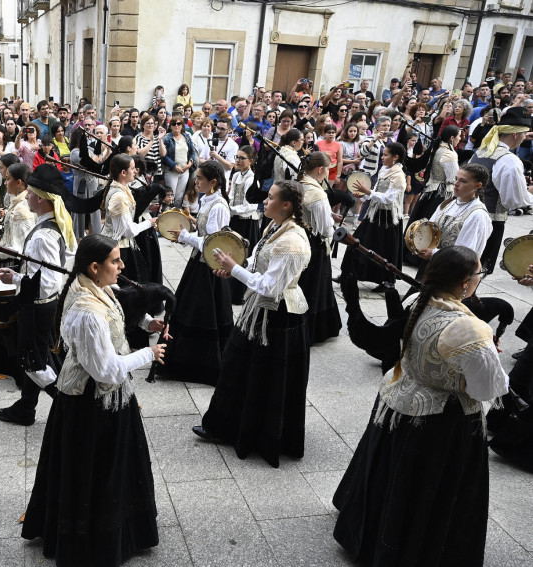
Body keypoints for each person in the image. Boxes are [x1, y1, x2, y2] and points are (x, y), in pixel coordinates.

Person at [332, 246, 507, 566]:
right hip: (441, 423)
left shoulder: (415, 301)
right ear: (465, 283)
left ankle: (372, 538)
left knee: (393, 480)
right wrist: (489, 352)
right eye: (479, 274)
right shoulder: (470, 328)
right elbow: (490, 388)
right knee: (424, 495)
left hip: (399, 402)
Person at [21, 234, 165, 566]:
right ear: (95, 267)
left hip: (108, 400)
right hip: (90, 406)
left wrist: (148, 322)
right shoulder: (85, 313)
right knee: (97, 472)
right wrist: (149, 353)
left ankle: (124, 530)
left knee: (113, 469)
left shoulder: (93, 285)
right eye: (116, 260)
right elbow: (106, 371)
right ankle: (95, 541)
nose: (123, 265)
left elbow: (116, 310)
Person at [194, 181, 312, 468]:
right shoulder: (273, 227)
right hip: (257, 311)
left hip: (278, 317)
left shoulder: (292, 241)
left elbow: (271, 288)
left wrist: (234, 269)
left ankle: (262, 435)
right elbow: (258, 267)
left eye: (270, 198)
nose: (265, 201)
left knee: (265, 376)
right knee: (237, 366)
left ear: (286, 205)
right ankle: (224, 426)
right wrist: (235, 270)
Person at [0, 164, 76, 426]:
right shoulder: (52, 224)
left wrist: (17, 279)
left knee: (33, 363)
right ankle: (26, 407)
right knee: (37, 356)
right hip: (43, 305)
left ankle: (72, 409)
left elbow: (49, 282)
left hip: (37, 307)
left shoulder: (43, 236)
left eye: (29, 193)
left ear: (40, 199)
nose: (26, 196)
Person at [159, 161, 233, 385]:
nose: (196, 181)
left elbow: (213, 243)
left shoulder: (218, 205)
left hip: (208, 268)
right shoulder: (208, 199)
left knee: (202, 311)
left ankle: (201, 364)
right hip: (198, 263)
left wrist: (185, 236)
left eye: (200, 178)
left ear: (213, 182)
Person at [0, 162, 36, 379]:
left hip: (14, 265)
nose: (4, 181)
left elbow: (21, 248)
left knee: (9, 315)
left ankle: (9, 361)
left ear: (20, 183)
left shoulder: (22, 209)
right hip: (8, 260)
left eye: (8, 178)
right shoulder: (17, 201)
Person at [469, 106, 533, 273]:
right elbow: (514, 201)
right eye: (525, 133)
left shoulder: (481, 152)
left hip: (468, 213)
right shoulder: (509, 160)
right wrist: (529, 193)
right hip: (491, 222)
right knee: (478, 269)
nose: (525, 137)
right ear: (515, 134)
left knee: (464, 266)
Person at [343, 142, 408, 293]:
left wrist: (368, 191)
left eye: (385, 155)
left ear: (395, 157)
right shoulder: (385, 169)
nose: (382, 157)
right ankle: (348, 273)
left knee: (385, 250)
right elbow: (377, 190)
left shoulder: (399, 176)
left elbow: (388, 199)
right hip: (375, 213)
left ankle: (387, 282)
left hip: (388, 218)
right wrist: (364, 194)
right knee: (357, 242)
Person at [297, 152, 341, 343]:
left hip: (298, 237)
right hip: (314, 243)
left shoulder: (299, 183)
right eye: (328, 170)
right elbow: (324, 229)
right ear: (320, 169)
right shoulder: (317, 193)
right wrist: (332, 228)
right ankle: (313, 330)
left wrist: (329, 215)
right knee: (313, 285)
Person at [102, 154, 159, 285]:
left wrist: (148, 208)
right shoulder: (119, 196)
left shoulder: (122, 188)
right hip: (118, 248)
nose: (136, 171)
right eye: (133, 168)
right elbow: (128, 231)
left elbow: (126, 215)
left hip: (122, 246)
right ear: (123, 172)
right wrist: (149, 223)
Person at [227, 146, 261, 304]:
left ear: (251, 161)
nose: (238, 161)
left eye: (242, 158)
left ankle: (240, 295)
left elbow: (250, 206)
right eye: (237, 157)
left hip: (247, 222)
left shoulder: (252, 179)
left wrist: (231, 209)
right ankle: (229, 291)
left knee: (243, 257)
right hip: (235, 219)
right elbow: (232, 195)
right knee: (231, 254)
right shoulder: (235, 176)